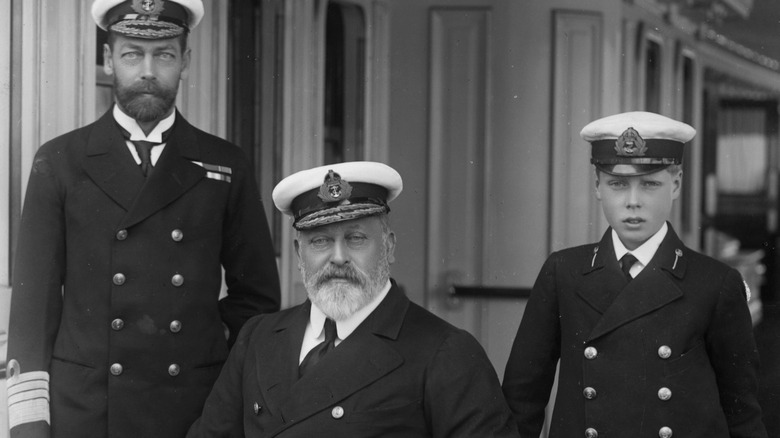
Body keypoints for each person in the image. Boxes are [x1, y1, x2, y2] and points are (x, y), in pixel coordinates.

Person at [5, 1, 281, 437]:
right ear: (108, 59)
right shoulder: (60, 161)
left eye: (165, 54)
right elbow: (32, 311)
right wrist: (29, 425)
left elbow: (257, 300)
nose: (148, 70)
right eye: (132, 53)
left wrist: (224, 388)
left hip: (192, 411)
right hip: (87, 413)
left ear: (185, 61)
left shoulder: (225, 165)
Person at [186, 161, 519, 437]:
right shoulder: (258, 338)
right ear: (298, 253)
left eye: (356, 238)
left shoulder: (444, 351)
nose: (338, 257)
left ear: (388, 247)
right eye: (320, 242)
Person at [502, 111, 767, 438]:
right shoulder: (563, 272)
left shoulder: (714, 283)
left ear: (677, 183)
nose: (632, 202)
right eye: (617, 183)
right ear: (598, 186)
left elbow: (741, 411)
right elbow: (522, 398)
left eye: (650, 184)